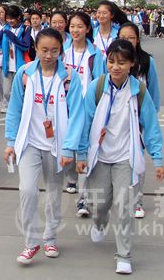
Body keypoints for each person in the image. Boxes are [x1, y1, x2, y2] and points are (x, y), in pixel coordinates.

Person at [62, 39, 164, 275]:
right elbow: (84, 122)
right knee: (100, 204)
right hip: (99, 157)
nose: (115, 67)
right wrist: (80, 154)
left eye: (122, 62)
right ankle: (100, 222)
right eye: (111, 61)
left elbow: (150, 127)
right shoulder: (97, 87)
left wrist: (157, 159)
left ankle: (124, 255)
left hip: (125, 159)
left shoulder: (139, 91)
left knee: (124, 205)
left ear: (131, 64)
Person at [4, 29, 83, 265]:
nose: (49, 55)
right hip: (30, 144)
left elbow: (77, 114)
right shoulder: (25, 73)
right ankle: (31, 242)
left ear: (61, 51)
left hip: (57, 146)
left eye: (55, 51)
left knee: (53, 194)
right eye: (44, 50)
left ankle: (50, 237)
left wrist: (69, 149)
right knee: (27, 190)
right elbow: (15, 109)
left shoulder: (69, 77)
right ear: (35, 49)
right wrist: (11, 142)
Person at [62, 12, 105, 217]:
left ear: (88, 28)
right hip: (66, 108)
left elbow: (100, 81)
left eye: (80, 26)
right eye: (72, 26)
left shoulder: (95, 54)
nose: (75, 30)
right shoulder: (63, 52)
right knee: (67, 149)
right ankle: (72, 178)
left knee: (85, 152)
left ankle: (84, 201)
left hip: (88, 110)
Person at [117, 23, 161, 219]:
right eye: (123, 38)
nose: (127, 42)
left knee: (138, 159)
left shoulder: (146, 61)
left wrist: (150, 116)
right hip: (117, 118)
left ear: (138, 40)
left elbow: (153, 92)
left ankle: (137, 200)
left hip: (139, 119)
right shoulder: (111, 60)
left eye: (131, 38)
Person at [0, 5, 32, 114]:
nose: (9, 21)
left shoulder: (25, 29)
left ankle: (20, 111)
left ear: (18, 17)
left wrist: (11, 36)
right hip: (7, 66)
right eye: (8, 18)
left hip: (21, 67)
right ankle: (15, 107)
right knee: (7, 92)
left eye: (12, 18)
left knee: (20, 92)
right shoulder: (6, 29)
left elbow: (25, 46)